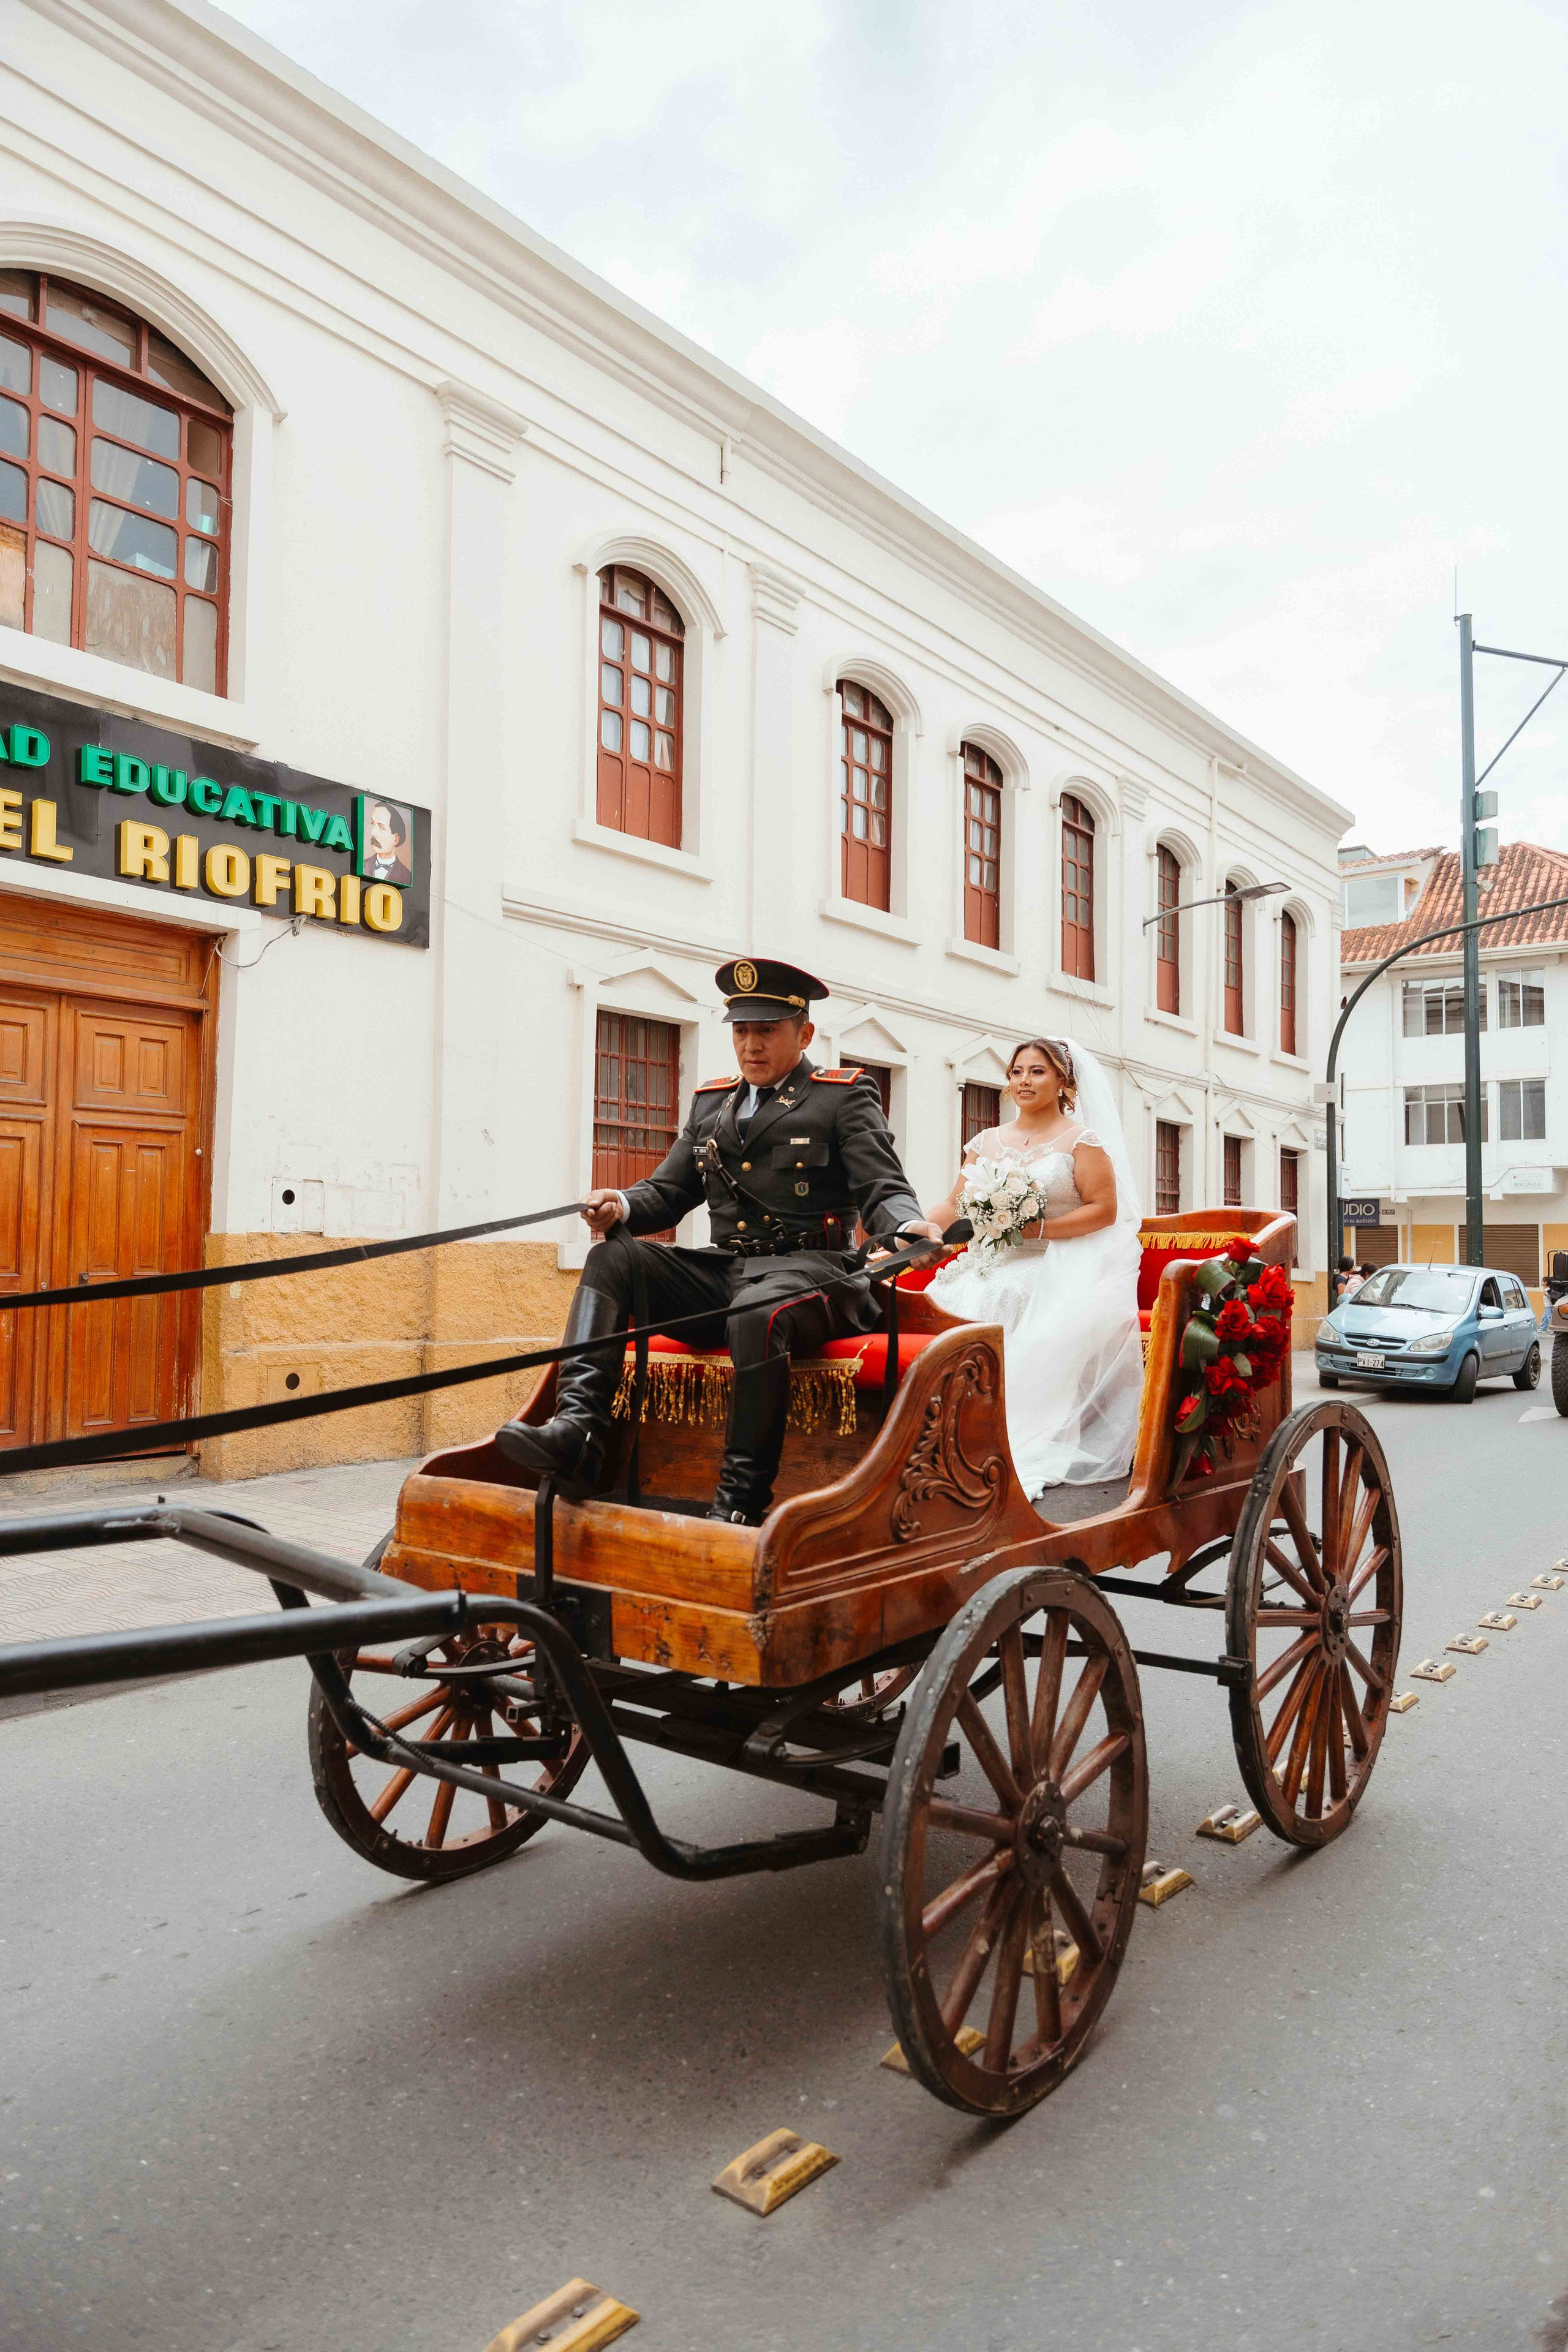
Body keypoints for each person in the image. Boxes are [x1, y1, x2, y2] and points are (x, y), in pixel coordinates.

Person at [497, 956, 944, 1523]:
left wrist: (906, 1227)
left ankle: (739, 1504)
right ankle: (578, 1436)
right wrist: (621, 1204)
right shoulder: (713, 1103)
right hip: (727, 1271)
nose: (750, 1045)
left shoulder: (842, 1096)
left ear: (805, 1034)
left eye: (767, 1030)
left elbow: (883, 1185)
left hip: (814, 1274)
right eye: (741, 1031)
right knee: (613, 1259)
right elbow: (669, 1191)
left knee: (758, 1310)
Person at [921, 1037, 1144, 1498]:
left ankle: (994, 1436)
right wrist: (921, 1229)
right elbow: (955, 1202)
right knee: (943, 1298)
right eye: (1017, 1071)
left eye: (1037, 1071)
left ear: (1063, 1081)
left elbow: (1104, 1210)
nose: (1024, 1080)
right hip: (988, 1259)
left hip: (1050, 1261)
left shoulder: (1081, 1141)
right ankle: (937, 1430)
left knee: (1007, 1294)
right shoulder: (986, 1142)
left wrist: (1038, 1231)